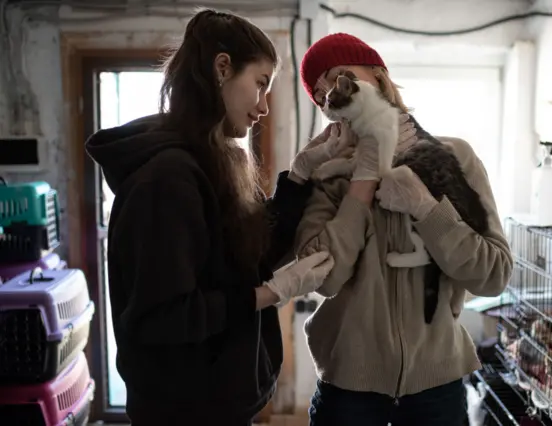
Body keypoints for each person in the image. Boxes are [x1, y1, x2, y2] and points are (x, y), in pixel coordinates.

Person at [85, 10, 351, 426]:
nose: (264, 106)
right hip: (182, 412)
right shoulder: (167, 179)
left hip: (218, 405)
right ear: (222, 68)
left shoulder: (214, 161)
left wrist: (300, 177)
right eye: (260, 84)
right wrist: (271, 292)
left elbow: (251, 255)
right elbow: (166, 316)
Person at [295, 32, 514, 426]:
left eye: (340, 75)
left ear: (378, 77)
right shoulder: (328, 177)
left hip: (438, 389)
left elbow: (493, 274)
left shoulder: (456, 156)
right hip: (349, 391)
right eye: (321, 92)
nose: (331, 93)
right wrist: (361, 183)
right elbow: (324, 280)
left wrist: (427, 209)